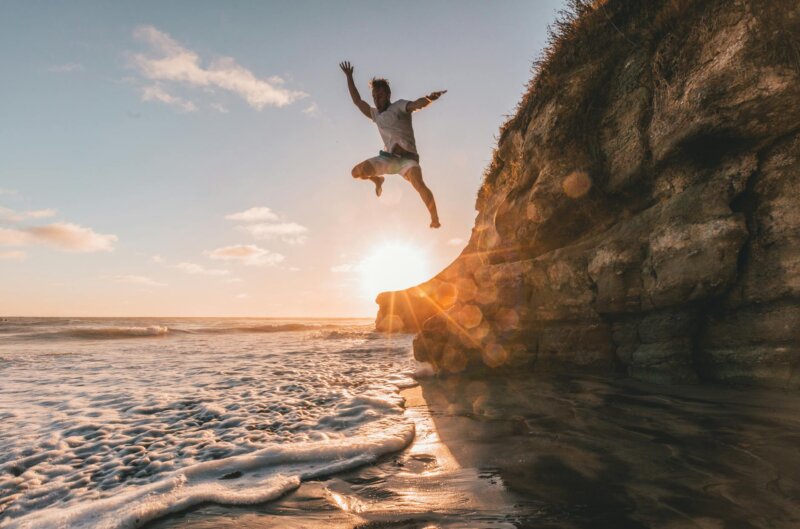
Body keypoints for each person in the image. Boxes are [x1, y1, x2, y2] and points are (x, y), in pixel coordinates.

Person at [339, 60, 446, 228]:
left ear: (388, 95)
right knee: (355, 172)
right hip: (389, 160)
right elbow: (358, 101)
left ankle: (435, 218)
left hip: (408, 159)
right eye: (374, 96)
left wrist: (429, 98)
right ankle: (377, 180)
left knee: (419, 184)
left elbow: (416, 104)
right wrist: (349, 77)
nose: (376, 100)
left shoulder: (398, 106)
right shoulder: (375, 115)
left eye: (380, 96)